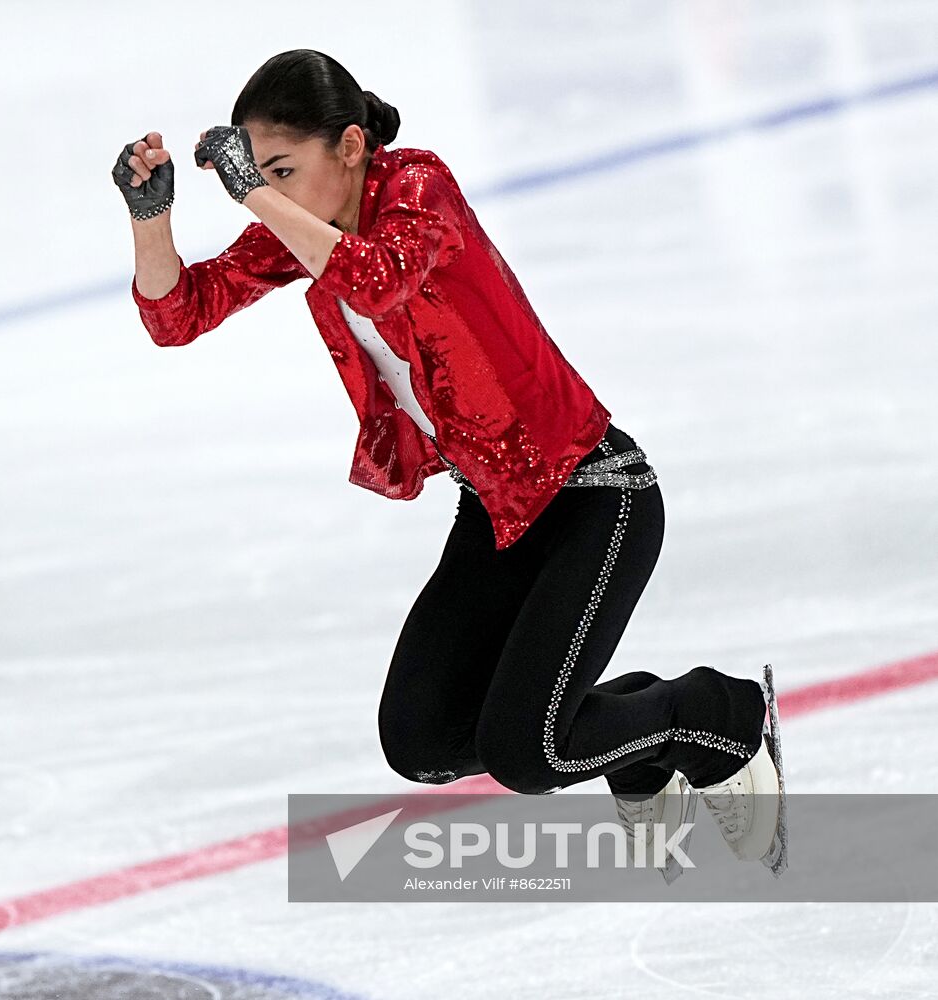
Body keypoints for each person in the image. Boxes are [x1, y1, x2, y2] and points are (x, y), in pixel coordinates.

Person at [111, 49, 786, 878]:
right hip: (496, 511)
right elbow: (180, 313)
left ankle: (712, 712)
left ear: (351, 146)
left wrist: (253, 191)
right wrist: (152, 218)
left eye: (283, 168)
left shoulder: (416, 190)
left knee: (529, 754)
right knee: (424, 743)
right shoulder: (308, 232)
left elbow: (377, 278)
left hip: (593, 498)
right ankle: (637, 746)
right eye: (262, 173)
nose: (270, 190)